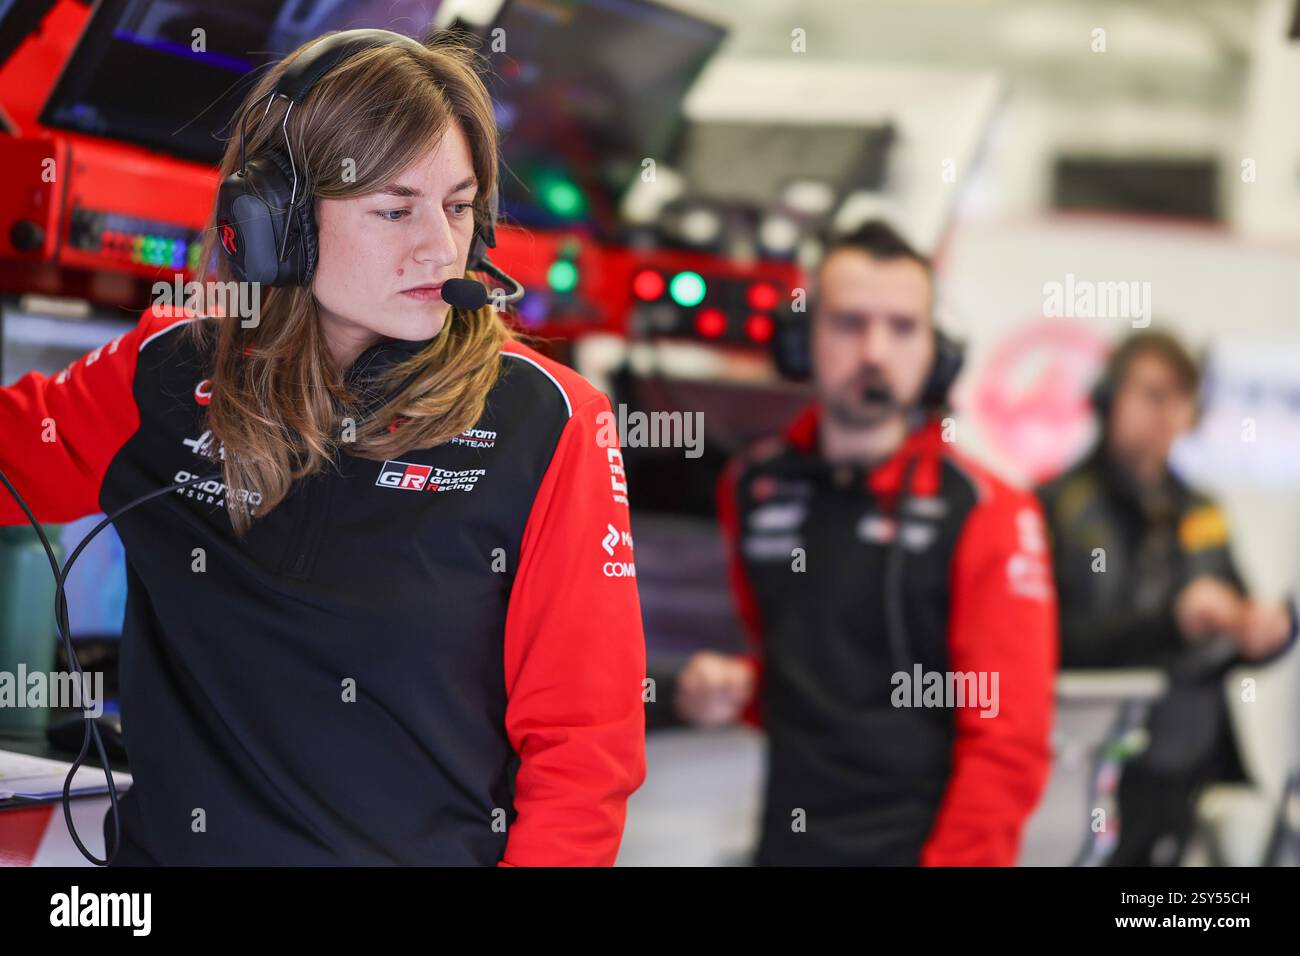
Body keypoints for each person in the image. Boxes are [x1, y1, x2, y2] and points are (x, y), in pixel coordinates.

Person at [0, 29, 646, 865]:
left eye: (457, 206)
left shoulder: (549, 421)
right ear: (271, 223)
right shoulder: (166, 372)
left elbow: (583, 753)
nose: (440, 247)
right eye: (393, 208)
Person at [670, 220, 1058, 865]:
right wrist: (738, 686)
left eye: (903, 327)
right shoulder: (753, 486)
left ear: (939, 351)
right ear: (803, 339)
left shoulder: (989, 511)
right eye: (849, 323)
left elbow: (1008, 745)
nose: (875, 350)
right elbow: (814, 671)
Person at [1038, 330, 1296, 866]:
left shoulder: (1201, 509)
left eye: (1181, 398)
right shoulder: (1057, 507)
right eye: (1153, 394)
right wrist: (1170, 623)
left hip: (1191, 768)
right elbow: (1054, 646)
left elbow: (1235, 630)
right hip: (1091, 766)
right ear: (1110, 398)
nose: (1168, 414)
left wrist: (1266, 632)